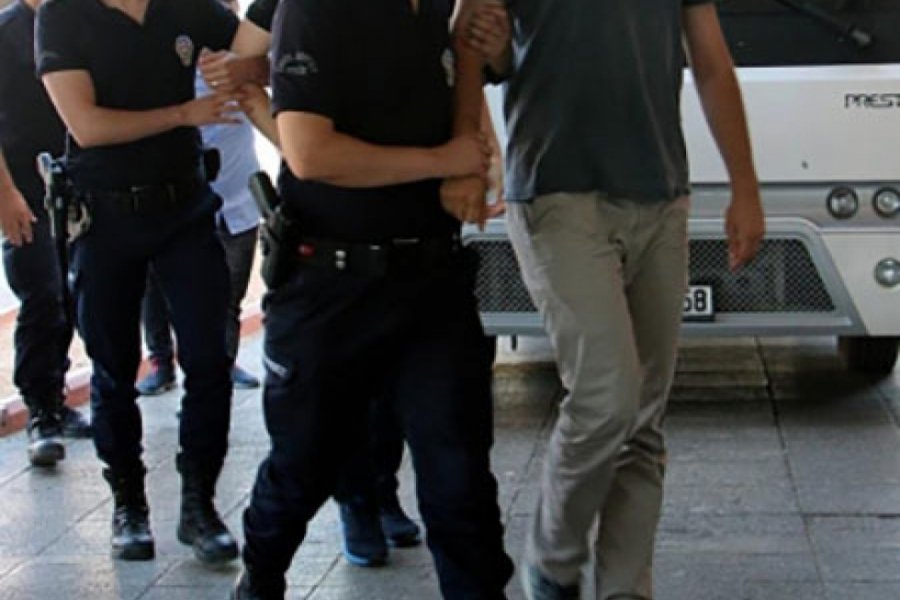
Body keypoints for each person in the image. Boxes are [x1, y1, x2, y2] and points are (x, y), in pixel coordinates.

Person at [465, 2, 766, 598]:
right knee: (607, 397)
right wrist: (495, 57)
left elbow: (710, 62)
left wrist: (745, 187)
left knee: (644, 417)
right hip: (556, 191)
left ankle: (625, 586)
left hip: (659, 194)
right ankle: (555, 561)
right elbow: (477, 42)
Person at [229, 0, 514, 598]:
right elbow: (311, 153)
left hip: (431, 283)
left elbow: (465, 69)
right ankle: (259, 582)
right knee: (302, 468)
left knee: (460, 481)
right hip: (329, 285)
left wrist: (467, 160)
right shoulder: (313, 11)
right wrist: (442, 162)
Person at [35, 0, 265, 565]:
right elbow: (87, 126)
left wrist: (239, 69)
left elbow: (259, 49)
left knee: (209, 358)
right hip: (105, 216)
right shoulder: (62, 15)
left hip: (184, 208)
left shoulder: (185, 5)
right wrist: (185, 112)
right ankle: (128, 503)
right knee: (114, 368)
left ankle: (198, 503)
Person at [136, 0, 262, 396]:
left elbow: (274, 73)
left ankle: (223, 364)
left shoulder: (238, 57)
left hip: (238, 195)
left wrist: (244, 70)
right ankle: (162, 361)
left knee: (229, 292)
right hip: (178, 197)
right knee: (157, 289)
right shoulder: (164, 59)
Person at [0, 0, 92, 469]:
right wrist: (6, 195)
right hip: (23, 190)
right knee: (43, 295)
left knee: (72, 295)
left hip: (78, 181)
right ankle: (41, 412)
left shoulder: (79, 18)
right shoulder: (7, 30)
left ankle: (55, 395)